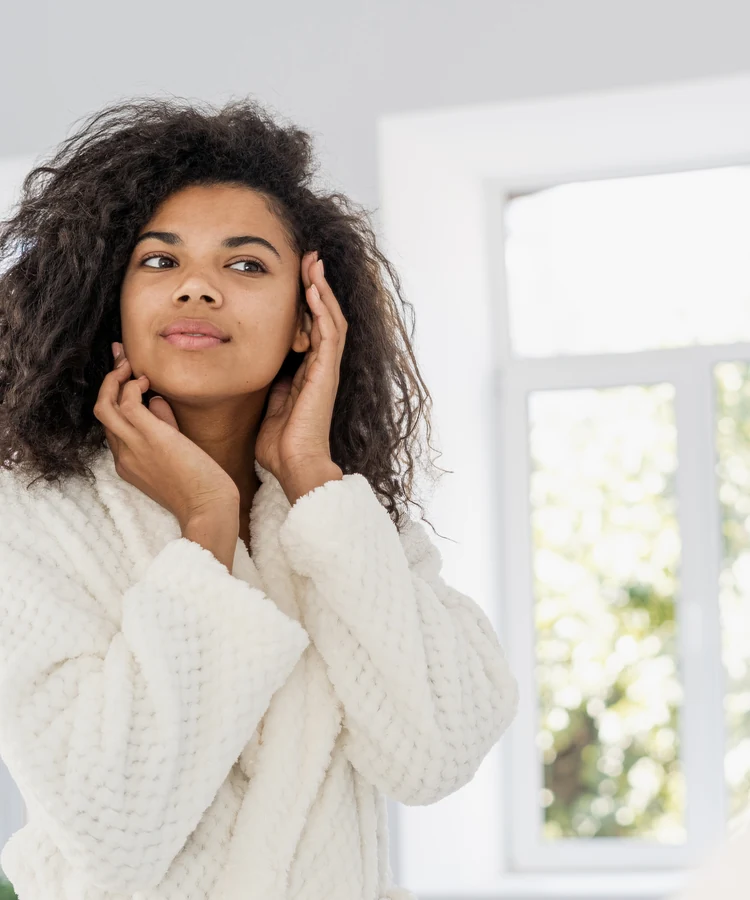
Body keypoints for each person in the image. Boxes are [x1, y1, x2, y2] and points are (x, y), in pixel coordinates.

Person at [0, 96, 520, 900]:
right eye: (159, 261)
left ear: (310, 320)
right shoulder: (33, 517)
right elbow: (112, 828)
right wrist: (206, 526)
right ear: (114, 301)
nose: (199, 289)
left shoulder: (344, 520)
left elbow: (436, 755)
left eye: (245, 265)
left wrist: (312, 470)